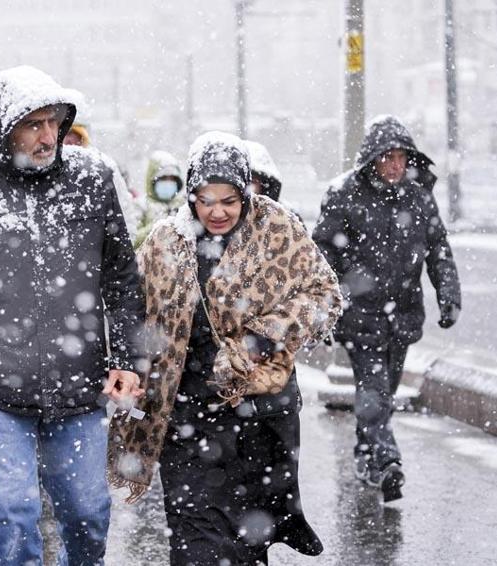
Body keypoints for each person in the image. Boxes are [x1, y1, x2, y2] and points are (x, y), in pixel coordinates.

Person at [0, 65, 145, 566]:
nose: (49, 137)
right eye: (34, 125)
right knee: (12, 517)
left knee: (87, 515)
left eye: (55, 123)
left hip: (79, 387)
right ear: (5, 132)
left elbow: (121, 279)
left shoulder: (92, 179)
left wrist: (129, 359)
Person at [108, 132, 342, 565]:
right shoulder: (163, 242)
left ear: (244, 194)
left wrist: (263, 336)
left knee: (244, 546)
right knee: (194, 542)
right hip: (185, 418)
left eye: (229, 200)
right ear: (190, 195)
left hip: (258, 420)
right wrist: (129, 370)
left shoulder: (276, 229)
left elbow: (325, 295)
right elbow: (132, 311)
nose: (217, 211)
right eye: (206, 199)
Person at [312, 115, 462, 502]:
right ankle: (386, 459)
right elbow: (322, 253)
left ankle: (366, 454)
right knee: (374, 390)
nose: (396, 165)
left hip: (403, 315)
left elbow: (438, 250)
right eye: (388, 157)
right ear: (373, 159)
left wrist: (448, 295)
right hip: (359, 315)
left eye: (401, 157)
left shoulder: (418, 197)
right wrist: (327, 303)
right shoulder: (345, 194)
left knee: (383, 391)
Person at [133, 150, 185, 248]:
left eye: (172, 179)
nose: (168, 183)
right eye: (163, 179)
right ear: (152, 181)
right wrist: (154, 227)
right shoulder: (141, 205)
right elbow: (131, 240)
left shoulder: (182, 206)